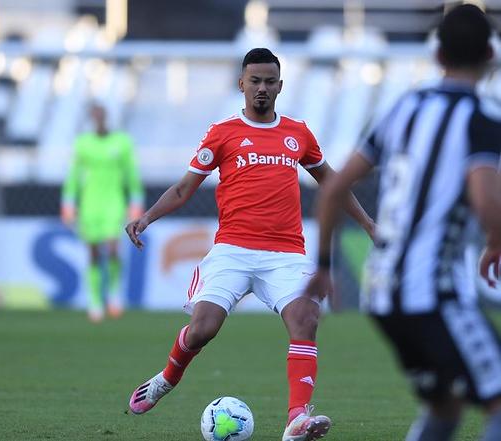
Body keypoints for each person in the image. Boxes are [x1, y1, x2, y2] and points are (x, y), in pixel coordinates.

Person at [125, 48, 375, 441]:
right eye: (254, 81)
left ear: (280, 86)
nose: (262, 88)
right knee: (203, 329)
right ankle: (166, 380)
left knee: (306, 320)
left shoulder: (298, 134)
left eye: (269, 81)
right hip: (233, 251)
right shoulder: (222, 133)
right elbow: (183, 188)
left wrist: (368, 224)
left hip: (286, 254)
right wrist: (146, 217)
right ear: (241, 83)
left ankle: (296, 418)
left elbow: (333, 183)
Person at [305, 4, 501, 441]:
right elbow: (487, 198)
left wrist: (321, 264)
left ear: (438, 56)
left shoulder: (404, 108)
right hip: (435, 294)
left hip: (383, 295)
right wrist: (496, 240)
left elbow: (333, 188)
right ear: (491, 54)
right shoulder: (483, 122)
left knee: (444, 407)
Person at [61, 103, 144, 322]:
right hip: (90, 205)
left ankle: (115, 294)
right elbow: (73, 176)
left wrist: (136, 200)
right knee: (94, 253)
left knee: (114, 247)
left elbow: (131, 174)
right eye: (94, 116)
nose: (98, 119)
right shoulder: (83, 144)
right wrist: (68, 203)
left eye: (101, 115)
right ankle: (95, 300)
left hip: (114, 203)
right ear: (91, 118)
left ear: (106, 117)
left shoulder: (121, 142)